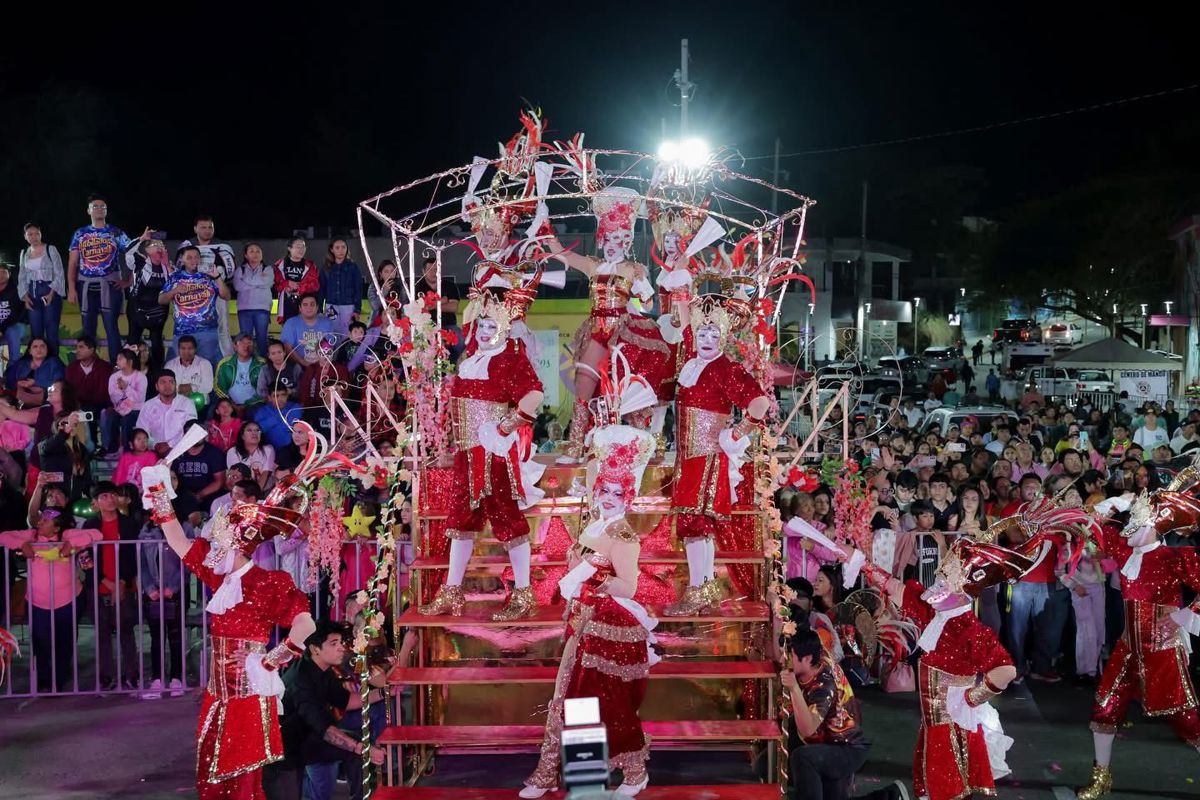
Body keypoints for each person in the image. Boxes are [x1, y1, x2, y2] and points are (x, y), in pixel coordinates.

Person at [139, 435, 317, 800]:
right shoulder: (218, 576)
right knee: (211, 770)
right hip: (217, 693)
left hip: (249, 693)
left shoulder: (268, 582)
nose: (209, 548)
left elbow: (306, 623)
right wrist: (158, 488)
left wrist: (271, 659)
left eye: (216, 543)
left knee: (242, 778)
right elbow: (176, 540)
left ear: (234, 546)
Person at [520, 422, 657, 798]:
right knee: (571, 699)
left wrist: (592, 583)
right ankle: (577, 777)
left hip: (608, 628)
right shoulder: (595, 525)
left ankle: (632, 773)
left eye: (617, 491)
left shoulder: (624, 535)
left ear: (627, 496)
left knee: (604, 700)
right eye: (605, 490)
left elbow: (628, 586)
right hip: (583, 625)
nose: (610, 496)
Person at [419, 270, 544, 621]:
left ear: (504, 326)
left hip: (494, 455)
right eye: (482, 325)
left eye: (492, 326)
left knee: (507, 519)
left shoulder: (510, 357)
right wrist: (452, 448)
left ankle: (523, 594)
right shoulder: (470, 358)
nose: (486, 331)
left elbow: (534, 394)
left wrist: (505, 426)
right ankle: (452, 591)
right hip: (466, 455)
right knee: (460, 520)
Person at [1076, 490, 1200, 799]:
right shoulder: (1124, 553)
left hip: (1163, 651)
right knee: (1104, 709)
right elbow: (1091, 523)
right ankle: (1101, 778)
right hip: (1128, 648)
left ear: (1155, 527)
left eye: (1136, 522)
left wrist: (1184, 616)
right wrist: (1117, 502)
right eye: (1129, 521)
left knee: (1187, 721)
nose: (1128, 527)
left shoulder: (1175, 557)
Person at [548, 186, 675, 461]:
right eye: (612, 237)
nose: (617, 242)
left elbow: (649, 304)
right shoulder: (594, 265)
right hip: (596, 330)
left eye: (623, 237)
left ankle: (643, 445)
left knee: (627, 389)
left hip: (623, 331)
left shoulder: (633, 269)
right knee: (584, 385)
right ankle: (575, 447)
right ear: (603, 238)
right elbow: (562, 255)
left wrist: (641, 293)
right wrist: (544, 223)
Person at [663, 292, 769, 616]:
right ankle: (705, 589)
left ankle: (698, 591)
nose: (707, 338)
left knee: (696, 524)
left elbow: (760, 404)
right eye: (703, 332)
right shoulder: (692, 363)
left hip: (707, 457)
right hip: (688, 458)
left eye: (714, 332)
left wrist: (735, 433)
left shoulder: (726, 368)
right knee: (698, 526)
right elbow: (681, 307)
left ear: (724, 335)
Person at [781, 630, 906, 800]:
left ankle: (889, 796)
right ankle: (889, 795)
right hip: (827, 736)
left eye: (791, 655)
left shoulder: (823, 686)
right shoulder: (818, 655)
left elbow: (808, 729)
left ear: (808, 659)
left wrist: (794, 688)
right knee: (768, 759)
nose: (786, 659)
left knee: (802, 758)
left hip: (844, 746)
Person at [278, 620, 386, 800]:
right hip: (290, 749)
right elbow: (325, 730)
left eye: (341, 643)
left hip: (313, 737)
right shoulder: (300, 680)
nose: (341, 648)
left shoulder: (322, 669)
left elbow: (345, 701)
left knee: (359, 744)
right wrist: (362, 748)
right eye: (334, 644)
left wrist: (382, 693)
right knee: (357, 747)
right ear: (315, 649)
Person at [0, 511, 101, 692]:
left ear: (57, 527)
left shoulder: (67, 535)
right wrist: (22, 544)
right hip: (38, 601)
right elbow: (4, 536)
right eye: (41, 519)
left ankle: (59, 679)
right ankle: (44, 679)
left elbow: (97, 534)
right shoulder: (31, 535)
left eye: (46, 521)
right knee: (41, 641)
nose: (40, 522)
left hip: (68, 600)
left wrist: (71, 543)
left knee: (65, 641)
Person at [68, 195, 149, 359]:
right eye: (95, 206)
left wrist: (128, 281)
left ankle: (116, 366)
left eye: (102, 206)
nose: (99, 209)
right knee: (88, 328)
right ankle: (88, 365)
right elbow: (73, 262)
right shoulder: (80, 233)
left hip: (110, 284)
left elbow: (135, 253)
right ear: (88, 210)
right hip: (86, 285)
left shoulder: (115, 232)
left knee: (111, 327)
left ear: (106, 211)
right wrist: (71, 287)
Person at [85, 481, 142, 691]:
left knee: (126, 631)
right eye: (104, 497)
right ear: (95, 503)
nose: (109, 500)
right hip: (98, 587)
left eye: (112, 495)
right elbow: (85, 556)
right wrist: (102, 579)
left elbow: (133, 556)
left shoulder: (129, 523)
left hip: (123, 585)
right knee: (102, 634)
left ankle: (132, 674)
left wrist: (123, 580)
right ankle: (105, 676)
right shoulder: (90, 525)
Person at [137, 513, 193, 700]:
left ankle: (177, 678)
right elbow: (142, 562)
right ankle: (157, 679)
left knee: (176, 635)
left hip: (177, 590)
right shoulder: (146, 530)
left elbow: (188, 559)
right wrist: (149, 588)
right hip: (153, 591)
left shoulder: (183, 527)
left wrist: (174, 587)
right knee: (156, 637)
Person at [177, 215, 237, 359]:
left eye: (210, 227)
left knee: (222, 328)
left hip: (217, 294)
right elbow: (179, 271)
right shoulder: (185, 246)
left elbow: (230, 273)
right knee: (193, 329)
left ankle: (226, 361)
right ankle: (192, 362)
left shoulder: (224, 247)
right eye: (203, 227)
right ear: (195, 229)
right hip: (193, 297)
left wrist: (216, 281)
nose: (207, 230)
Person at [160, 246, 230, 367]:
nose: (194, 260)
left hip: (207, 331)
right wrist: (174, 291)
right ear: (182, 259)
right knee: (179, 369)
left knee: (208, 367)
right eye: (190, 257)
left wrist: (217, 277)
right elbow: (161, 300)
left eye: (197, 257)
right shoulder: (175, 277)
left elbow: (226, 296)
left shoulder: (208, 276)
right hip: (182, 332)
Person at [123, 238, 173, 369]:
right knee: (133, 340)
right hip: (137, 309)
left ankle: (157, 373)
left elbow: (175, 285)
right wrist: (141, 239)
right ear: (146, 250)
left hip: (159, 310)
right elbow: (127, 251)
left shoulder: (169, 266)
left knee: (157, 342)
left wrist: (167, 265)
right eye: (154, 245)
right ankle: (129, 370)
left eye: (161, 245)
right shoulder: (139, 262)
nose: (159, 247)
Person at [18, 222, 66, 355]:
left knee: (51, 331)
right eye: (30, 234)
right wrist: (25, 297)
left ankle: (54, 365)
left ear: (40, 234)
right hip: (33, 293)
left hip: (49, 291)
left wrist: (51, 294)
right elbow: (21, 277)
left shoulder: (50, 249)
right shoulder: (24, 253)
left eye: (36, 234)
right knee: (36, 332)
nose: (34, 237)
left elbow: (59, 273)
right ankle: (37, 366)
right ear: (25, 237)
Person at [412, 255, 463, 361]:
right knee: (420, 348)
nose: (433, 272)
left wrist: (433, 305)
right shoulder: (417, 287)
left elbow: (453, 307)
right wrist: (444, 300)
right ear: (423, 271)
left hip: (448, 325)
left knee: (461, 343)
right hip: (426, 326)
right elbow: (420, 309)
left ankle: (450, 366)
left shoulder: (450, 285)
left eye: (436, 269)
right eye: (429, 269)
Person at [135, 369, 198, 454]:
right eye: (163, 382)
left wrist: (170, 444)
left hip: (181, 450)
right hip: (154, 451)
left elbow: (191, 429)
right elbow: (141, 429)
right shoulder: (148, 405)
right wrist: (154, 445)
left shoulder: (187, 403)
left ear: (175, 385)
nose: (167, 385)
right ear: (156, 386)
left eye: (171, 382)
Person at [171, 420, 227, 513]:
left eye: (201, 431)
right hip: (182, 495)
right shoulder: (176, 452)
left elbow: (219, 481)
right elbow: (169, 478)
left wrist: (199, 495)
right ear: (185, 435)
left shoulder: (214, 453)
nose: (198, 435)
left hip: (208, 495)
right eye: (193, 432)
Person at [66, 335, 113, 442]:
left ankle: (93, 445)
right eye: (77, 347)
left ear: (91, 350)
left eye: (81, 347)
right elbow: (68, 391)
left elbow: (103, 394)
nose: (77, 351)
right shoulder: (71, 368)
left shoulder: (104, 367)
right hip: (77, 405)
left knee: (88, 411)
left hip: (99, 405)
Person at [233, 243, 275, 356]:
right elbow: (238, 286)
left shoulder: (268, 269)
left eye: (258, 251)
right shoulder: (240, 270)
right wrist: (258, 282)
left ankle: (262, 363)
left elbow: (267, 282)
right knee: (246, 339)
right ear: (246, 255)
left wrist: (246, 280)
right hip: (244, 309)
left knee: (262, 338)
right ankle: (248, 361)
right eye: (251, 251)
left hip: (262, 308)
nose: (255, 253)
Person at [104, 347, 146, 455]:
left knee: (127, 421)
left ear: (130, 361)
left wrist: (126, 388)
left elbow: (139, 398)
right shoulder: (114, 377)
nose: (117, 361)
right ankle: (112, 448)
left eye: (120, 358)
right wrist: (125, 396)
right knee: (111, 418)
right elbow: (113, 395)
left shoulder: (140, 377)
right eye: (117, 359)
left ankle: (128, 451)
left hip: (135, 409)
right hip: (118, 408)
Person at [318, 237, 364, 334]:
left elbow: (358, 289)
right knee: (331, 331)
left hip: (348, 306)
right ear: (332, 250)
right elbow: (321, 289)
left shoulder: (353, 267)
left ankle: (344, 349)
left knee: (347, 332)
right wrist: (319, 309)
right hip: (331, 306)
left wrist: (357, 309)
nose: (341, 250)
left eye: (343, 247)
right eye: (337, 247)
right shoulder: (326, 268)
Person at [6, 337, 66, 406]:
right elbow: (8, 381)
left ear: (47, 350)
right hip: (20, 402)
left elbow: (59, 383)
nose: (39, 349)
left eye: (42, 346)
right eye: (35, 347)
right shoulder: (21, 364)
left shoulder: (54, 362)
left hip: (48, 403)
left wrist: (35, 382)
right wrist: (17, 384)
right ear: (30, 351)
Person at [273, 236, 320, 323]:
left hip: (305, 305)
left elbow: (315, 285)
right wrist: (287, 284)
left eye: (303, 247)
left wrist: (299, 288)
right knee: (288, 331)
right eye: (298, 247)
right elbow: (275, 284)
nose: (301, 249)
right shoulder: (279, 265)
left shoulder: (310, 266)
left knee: (304, 330)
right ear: (289, 248)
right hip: (286, 305)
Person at [280, 293, 335, 367]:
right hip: (297, 366)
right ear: (300, 308)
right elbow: (287, 347)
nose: (309, 308)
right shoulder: (291, 323)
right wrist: (303, 363)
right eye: (305, 305)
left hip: (322, 366)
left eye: (312, 305)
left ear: (317, 307)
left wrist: (322, 363)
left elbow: (331, 346)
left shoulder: (327, 323)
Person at [215, 332, 265, 410]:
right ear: (235, 346)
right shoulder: (225, 364)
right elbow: (218, 387)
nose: (246, 346)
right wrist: (231, 404)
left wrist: (246, 405)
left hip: (255, 404)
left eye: (249, 343)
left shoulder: (261, 364)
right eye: (241, 343)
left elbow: (264, 390)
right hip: (230, 405)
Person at [164, 335, 215, 410]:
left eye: (190, 348)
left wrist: (191, 387)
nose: (186, 352)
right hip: (175, 407)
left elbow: (208, 387)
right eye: (183, 348)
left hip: (200, 407)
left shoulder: (204, 364)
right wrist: (179, 388)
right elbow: (165, 386)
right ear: (178, 349)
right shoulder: (170, 365)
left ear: (195, 349)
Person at [254, 382, 303, 451]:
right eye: (276, 396)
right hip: (269, 453)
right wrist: (281, 416)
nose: (280, 399)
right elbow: (258, 431)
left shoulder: (295, 408)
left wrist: (271, 421)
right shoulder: (261, 412)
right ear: (269, 398)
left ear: (287, 395)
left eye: (283, 395)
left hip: (294, 451)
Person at [228, 421, 276, 490]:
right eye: (249, 430)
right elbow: (235, 476)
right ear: (242, 436)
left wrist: (256, 493)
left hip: (262, 490)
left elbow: (266, 473)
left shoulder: (268, 449)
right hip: (240, 490)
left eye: (257, 430)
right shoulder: (233, 452)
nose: (254, 433)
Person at [0, 262, 27, 365]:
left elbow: (16, 314)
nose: (1, 275)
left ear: (9, 274)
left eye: (4, 272)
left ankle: (13, 370)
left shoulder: (16, 290)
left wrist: (2, 329)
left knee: (12, 332)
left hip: (15, 325)